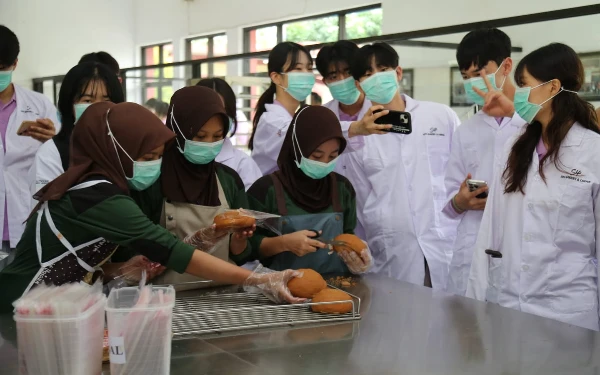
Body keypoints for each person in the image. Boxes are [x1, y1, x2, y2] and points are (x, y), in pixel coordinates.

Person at [0, 101, 302, 312]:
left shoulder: (98, 188)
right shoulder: (99, 198)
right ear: (114, 152)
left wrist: (120, 269)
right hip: (23, 301)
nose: (154, 166)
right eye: (145, 158)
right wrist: (258, 279)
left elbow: (78, 256)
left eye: (158, 156)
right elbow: (173, 250)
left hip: (57, 303)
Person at [467, 43, 600, 331]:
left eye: (523, 85)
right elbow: (490, 230)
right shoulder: (514, 147)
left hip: (567, 312)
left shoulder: (593, 152)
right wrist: (475, 300)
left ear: (552, 87)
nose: (518, 94)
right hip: (508, 302)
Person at [342, 42, 460, 289]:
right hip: (392, 246)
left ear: (398, 73)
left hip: (444, 237)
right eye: (367, 74)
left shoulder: (440, 116)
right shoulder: (360, 136)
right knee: (401, 319)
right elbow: (361, 200)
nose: (376, 78)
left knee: (451, 318)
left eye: (382, 69)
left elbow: (458, 173)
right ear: (358, 85)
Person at [442, 29, 526, 296]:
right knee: (466, 332)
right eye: (466, 77)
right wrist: (460, 202)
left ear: (506, 66)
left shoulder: (535, 122)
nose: (473, 83)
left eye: (479, 73)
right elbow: (449, 200)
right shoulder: (465, 130)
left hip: (521, 250)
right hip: (472, 249)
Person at [150, 86, 255, 290]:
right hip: (167, 298)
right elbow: (135, 251)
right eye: (199, 136)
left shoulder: (228, 180)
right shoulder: (153, 179)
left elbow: (241, 256)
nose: (209, 144)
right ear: (176, 129)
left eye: (217, 137)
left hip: (223, 294)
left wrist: (240, 240)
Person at [247, 106, 372, 275]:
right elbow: (245, 248)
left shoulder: (342, 188)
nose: (324, 163)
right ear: (297, 148)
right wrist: (283, 243)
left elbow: (347, 236)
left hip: (336, 288)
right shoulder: (265, 190)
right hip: (280, 291)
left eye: (333, 156)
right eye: (316, 156)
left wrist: (357, 258)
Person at [249, 42, 389, 176]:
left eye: (309, 68)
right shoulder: (272, 121)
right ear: (276, 77)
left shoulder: (299, 116)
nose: (306, 74)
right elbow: (305, 134)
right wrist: (356, 128)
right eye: (298, 69)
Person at [0, 25, 59, 261]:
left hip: (24, 218)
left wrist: (51, 140)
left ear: (15, 64)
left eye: (2, 68)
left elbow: (57, 162)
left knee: (19, 293)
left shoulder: (39, 105)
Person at [29, 62, 124, 197]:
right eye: (87, 100)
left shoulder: (124, 148)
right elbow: (45, 210)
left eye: (106, 100)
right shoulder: (52, 153)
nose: (97, 108)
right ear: (70, 104)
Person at [196, 78, 262, 190]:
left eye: (222, 111)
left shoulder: (243, 165)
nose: (214, 118)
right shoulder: (170, 161)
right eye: (208, 111)